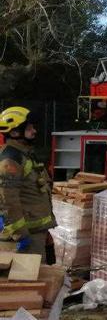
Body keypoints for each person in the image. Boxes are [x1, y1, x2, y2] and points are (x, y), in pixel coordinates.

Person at [0, 107, 55, 261]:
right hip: (25, 236)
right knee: (29, 282)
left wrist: (44, 229)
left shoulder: (24, 154)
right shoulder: (10, 161)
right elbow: (7, 201)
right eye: (29, 128)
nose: (34, 131)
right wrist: (20, 235)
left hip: (35, 231)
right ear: (15, 132)